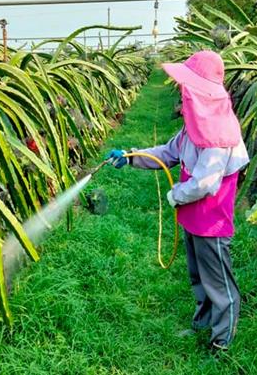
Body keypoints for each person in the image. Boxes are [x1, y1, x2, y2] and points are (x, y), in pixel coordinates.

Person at [107, 50, 249, 353]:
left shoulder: (221, 136)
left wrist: (175, 195)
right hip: (193, 219)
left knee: (219, 283)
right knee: (199, 276)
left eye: (187, 90)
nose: (183, 97)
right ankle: (202, 322)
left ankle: (222, 340)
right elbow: (168, 153)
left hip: (211, 222)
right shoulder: (194, 128)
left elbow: (204, 183)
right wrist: (131, 156)